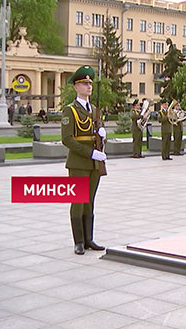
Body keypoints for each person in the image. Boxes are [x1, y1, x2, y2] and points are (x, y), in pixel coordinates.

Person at [61, 65, 106, 255]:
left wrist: (103, 135)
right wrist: (89, 153)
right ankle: (78, 241)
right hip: (79, 163)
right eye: (84, 83)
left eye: (90, 83)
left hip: (94, 164)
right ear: (76, 87)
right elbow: (67, 139)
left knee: (90, 201)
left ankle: (89, 239)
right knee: (78, 201)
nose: (89, 86)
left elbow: (96, 134)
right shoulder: (69, 110)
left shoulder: (94, 110)